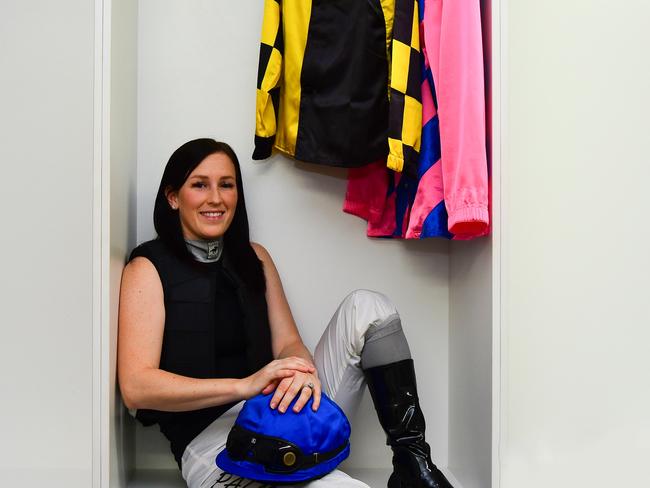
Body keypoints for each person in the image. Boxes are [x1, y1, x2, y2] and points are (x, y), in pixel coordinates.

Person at [117, 139, 453, 488]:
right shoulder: (147, 267)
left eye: (226, 185)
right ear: (173, 197)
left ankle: (412, 463)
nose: (215, 198)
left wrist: (300, 372)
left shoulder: (255, 257)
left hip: (282, 410)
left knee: (368, 306)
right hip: (213, 442)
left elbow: (288, 342)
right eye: (199, 184)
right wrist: (245, 386)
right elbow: (136, 387)